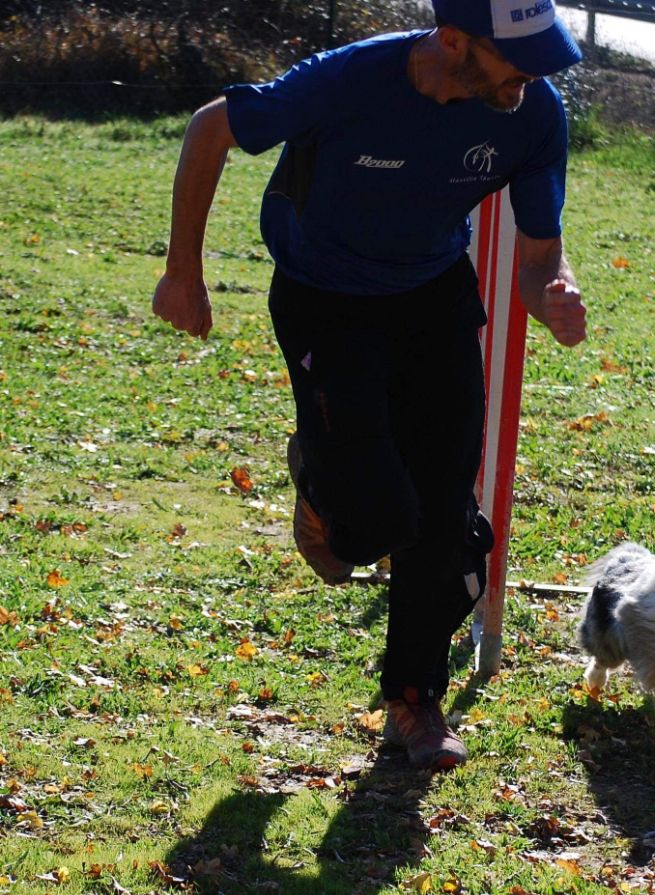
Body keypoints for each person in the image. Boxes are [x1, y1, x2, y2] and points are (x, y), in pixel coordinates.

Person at [152, 0, 587, 771]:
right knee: (370, 522)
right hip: (326, 297)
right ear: (455, 41)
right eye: (517, 58)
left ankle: (415, 703)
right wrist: (183, 271)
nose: (536, 74)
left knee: (446, 516)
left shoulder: (532, 114)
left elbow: (539, 253)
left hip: (431, 293)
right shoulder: (351, 79)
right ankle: (321, 481)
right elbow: (211, 126)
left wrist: (552, 291)